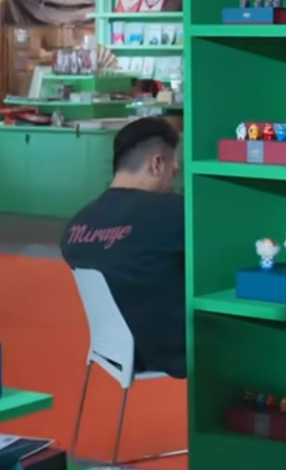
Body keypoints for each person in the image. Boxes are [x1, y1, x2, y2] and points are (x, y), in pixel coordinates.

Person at [60, 117, 185, 378]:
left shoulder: (76, 225)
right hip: (177, 351)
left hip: (115, 350)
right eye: (173, 171)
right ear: (157, 164)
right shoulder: (174, 213)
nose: (172, 180)